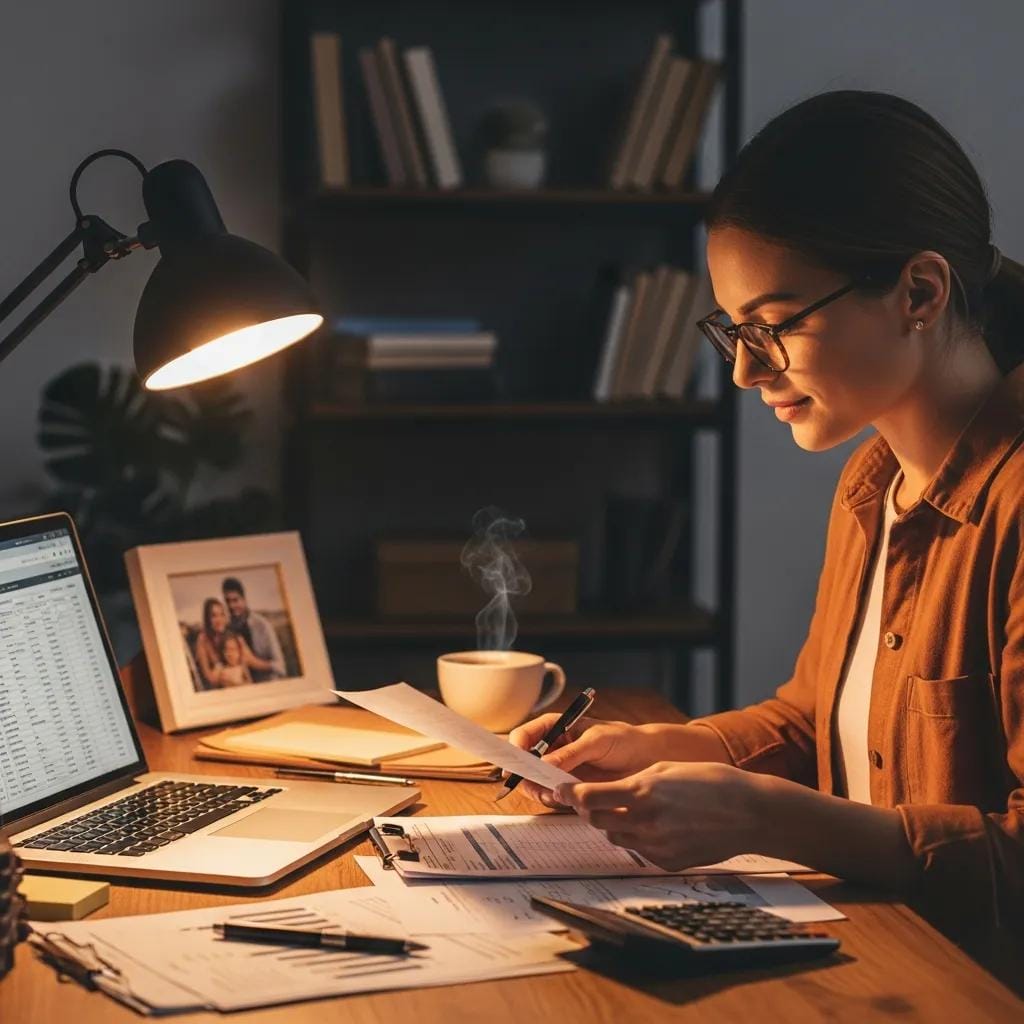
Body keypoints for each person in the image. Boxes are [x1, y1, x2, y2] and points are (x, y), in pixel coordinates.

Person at [511, 91, 1024, 987]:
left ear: (919, 292)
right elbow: (812, 718)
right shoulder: (874, 485)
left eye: (775, 325)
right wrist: (672, 748)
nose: (746, 369)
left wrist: (771, 819)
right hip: (877, 968)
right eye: (734, 330)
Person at [222, 576, 287, 681]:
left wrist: (254, 663)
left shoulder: (263, 625)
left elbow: (281, 667)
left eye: (235, 600)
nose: (231, 605)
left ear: (244, 599)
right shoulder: (228, 628)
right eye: (228, 601)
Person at [193, 597, 262, 689]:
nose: (219, 619)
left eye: (222, 614)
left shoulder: (232, 637)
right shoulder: (203, 639)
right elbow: (209, 678)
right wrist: (222, 674)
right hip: (219, 688)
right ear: (208, 619)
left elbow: (249, 662)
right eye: (214, 616)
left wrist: (271, 665)